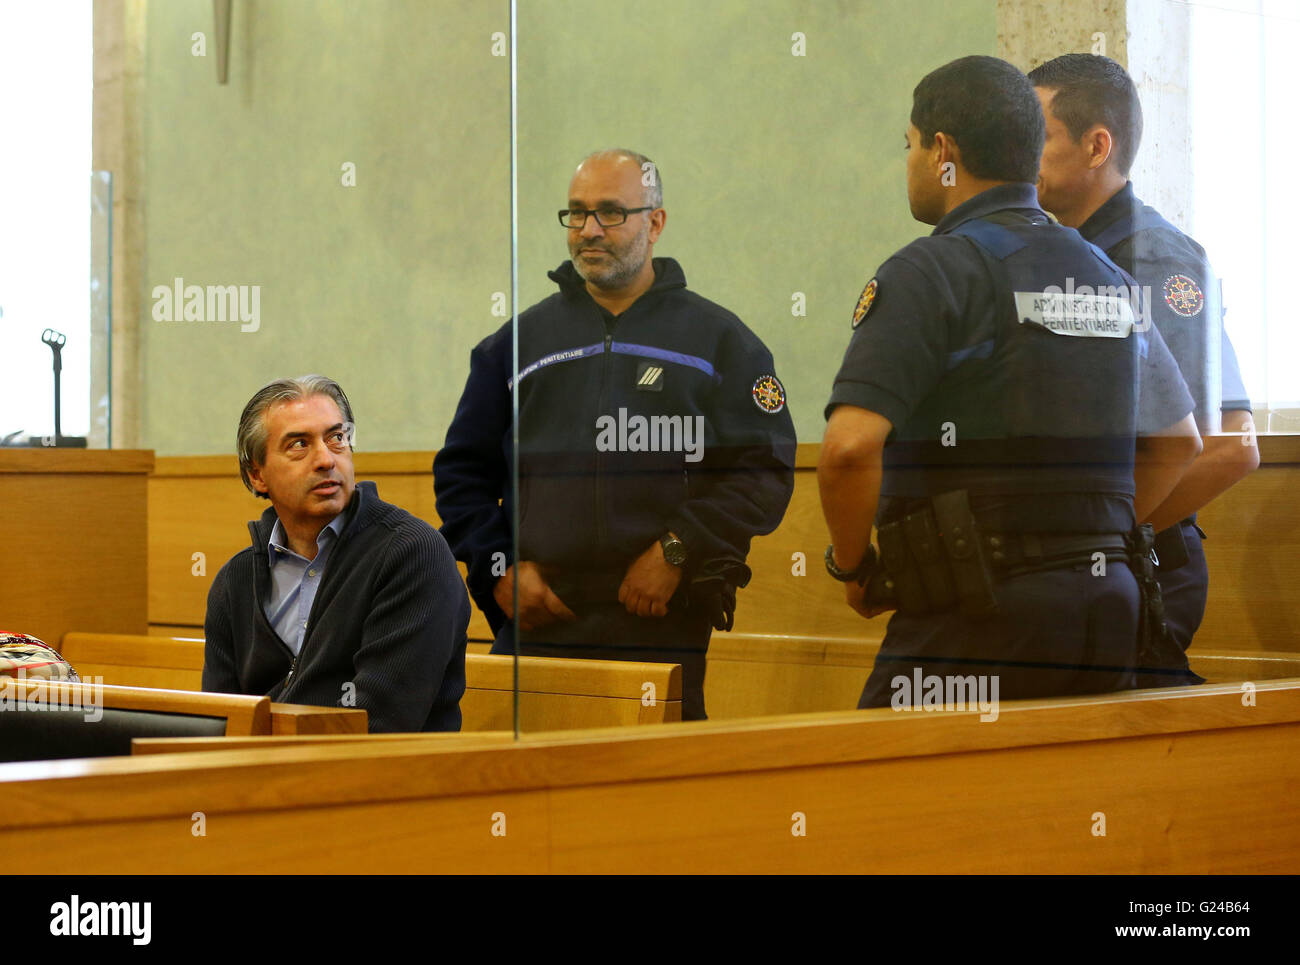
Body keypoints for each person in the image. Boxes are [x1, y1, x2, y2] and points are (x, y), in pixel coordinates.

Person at [817, 56, 1203, 709]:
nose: (907, 162)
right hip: (1107, 610)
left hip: (975, 611)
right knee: (1057, 805)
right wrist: (1081, 541)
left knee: (887, 800)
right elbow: (1179, 443)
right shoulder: (1106, 274)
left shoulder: (932, 271)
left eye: (908, 145)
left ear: (943, 151)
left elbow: (849, 448)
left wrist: (851, 566)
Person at [434, 149, 796, 720]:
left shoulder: (720, 341)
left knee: (655, 800)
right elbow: (461, 474)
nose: (588, 231)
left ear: (655, 222)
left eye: (609, 213)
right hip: (539, 619)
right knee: (522, 796)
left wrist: (677, 549)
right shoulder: (516, 345)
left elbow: (763, 470)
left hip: (662, 617)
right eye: (576, 214)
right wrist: (498, 567)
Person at [1029, 54, 1260, 677]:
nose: (1019, 154)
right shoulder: (1058, 257)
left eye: (1038, 136)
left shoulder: (1151, 257)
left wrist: (1092, 546)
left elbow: (1231, 447)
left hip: (1136, 565)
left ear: (1097, 145)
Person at [203, 375, 469, 732]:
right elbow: (219, 724)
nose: (326, 459)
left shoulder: (412, 554)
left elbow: (378, 724)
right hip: (257, 778)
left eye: (336, 438)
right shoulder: (234, 581)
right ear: (257, 475)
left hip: (382, 780)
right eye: (299, 444)